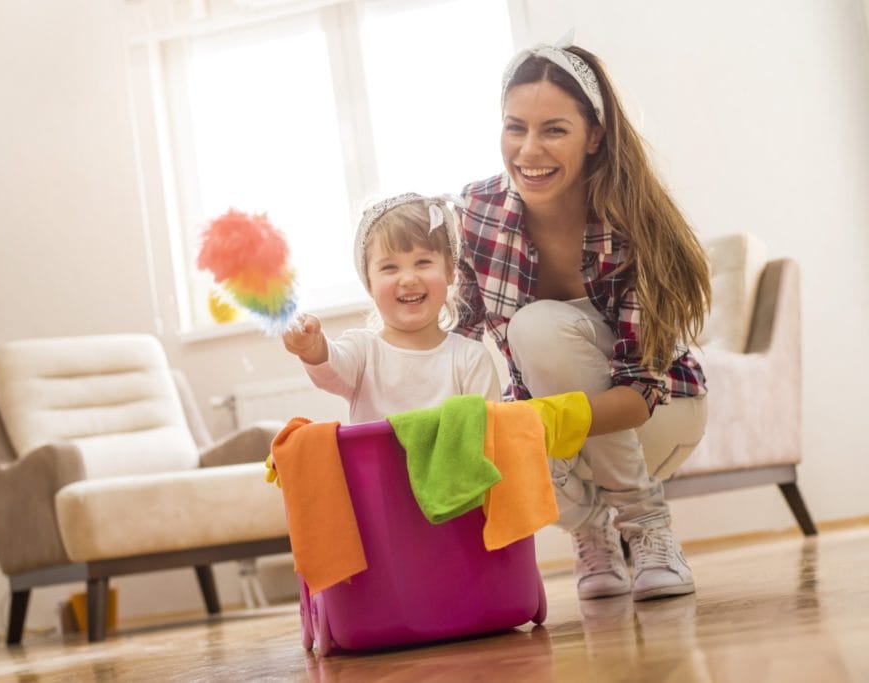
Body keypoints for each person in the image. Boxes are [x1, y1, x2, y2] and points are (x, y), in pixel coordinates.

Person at [455, 36, 711, 602]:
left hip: (658, 416)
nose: (529, 150)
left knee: (536, 327)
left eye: (554, 129)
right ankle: (590, 533)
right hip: (565, 431)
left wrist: (536, 425)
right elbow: (453, 342)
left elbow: (641, 392)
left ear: (594, 135)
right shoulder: (475, 214)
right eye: (514, 126)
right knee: (478, 421)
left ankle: (647, 528)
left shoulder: (634, 223)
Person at [283, 193, 501, 423]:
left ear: (449, 271)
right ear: (369, 283)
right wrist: (312, 346)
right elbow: (331, 365)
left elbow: (490, 437)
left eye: (423, 263)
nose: (408, 279)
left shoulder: (471, 359)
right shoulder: (363, 352)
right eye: (390, 268)